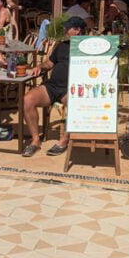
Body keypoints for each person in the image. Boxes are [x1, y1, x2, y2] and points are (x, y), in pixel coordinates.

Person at [21, 16, 86, 158]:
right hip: (53, 86)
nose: (64, 30)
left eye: (67, 28)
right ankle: (35, 141)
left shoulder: (86, 48)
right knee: (27, 100)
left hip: (71, 89)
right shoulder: (62, 45)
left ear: (77, 31)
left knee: (76, 105)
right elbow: (49, 64)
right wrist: (39, 66)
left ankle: (64, 140)